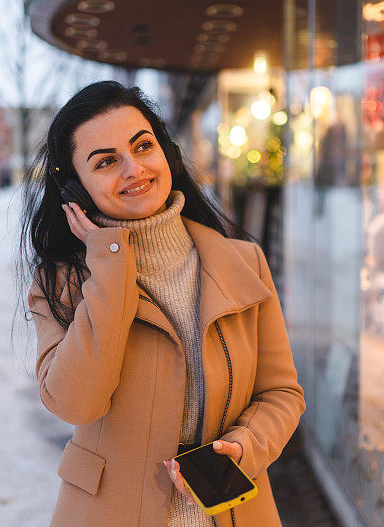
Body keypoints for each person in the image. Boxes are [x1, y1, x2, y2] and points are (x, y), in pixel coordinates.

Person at [18, 80, 306, 527]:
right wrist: (110, 267)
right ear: (75, 190)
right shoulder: (60, 282)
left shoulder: (244, 262)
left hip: (234, 512)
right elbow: (76, 404)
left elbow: (282, 393)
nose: (134, 169)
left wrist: (245, 447)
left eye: (143, 146)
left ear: (166, 152)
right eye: (107, 161)